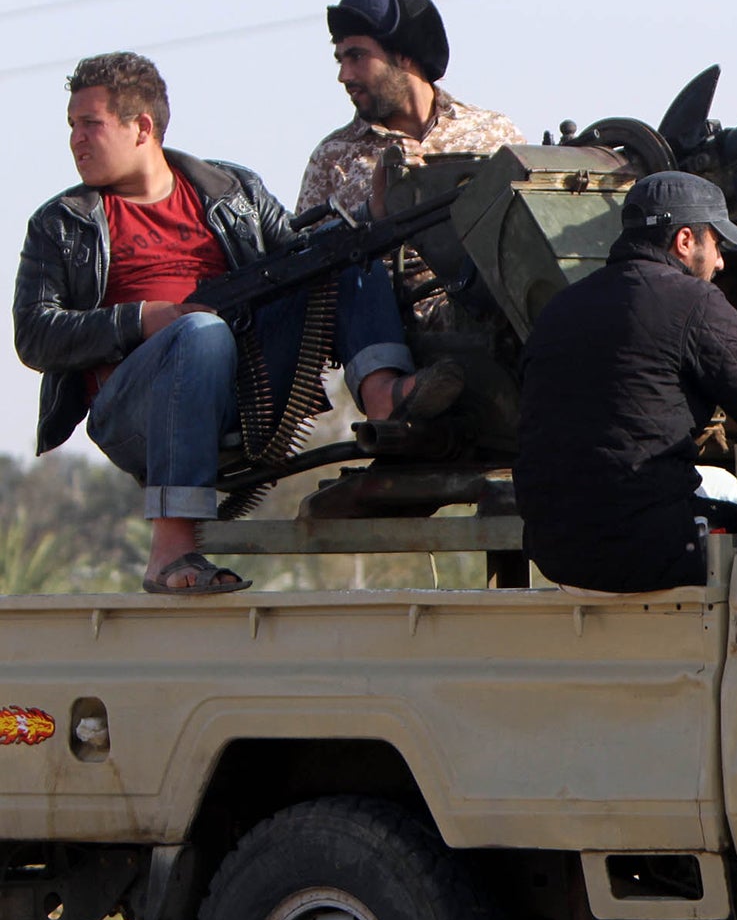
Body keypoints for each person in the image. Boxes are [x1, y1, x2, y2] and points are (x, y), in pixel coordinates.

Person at [13, 52, 454, 594]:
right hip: (133, 409)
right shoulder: (62, 223)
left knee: (342, 254)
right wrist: (144, 321)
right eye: (72, 127)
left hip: (242, 383)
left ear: (141, 128)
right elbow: (35, 334)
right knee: (199, 332)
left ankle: (386, 397)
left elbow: (299, 260)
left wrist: (373, 223)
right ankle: (171, 551)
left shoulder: (232, 193)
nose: (76, 140)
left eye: (90, 124)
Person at [515, 170, 737, 593]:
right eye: (717, 243)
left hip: (555, 551)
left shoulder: (561, 306)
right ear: (686, 241)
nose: (722, 261)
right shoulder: (694, 300)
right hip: (650, 547)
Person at [297, 0, 524, 217]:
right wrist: (372, 215)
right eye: (340, 60)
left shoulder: (493, 135)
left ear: (403, 54)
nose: (344, 75)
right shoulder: (332, 157)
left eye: (357, 57)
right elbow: (303, 250)